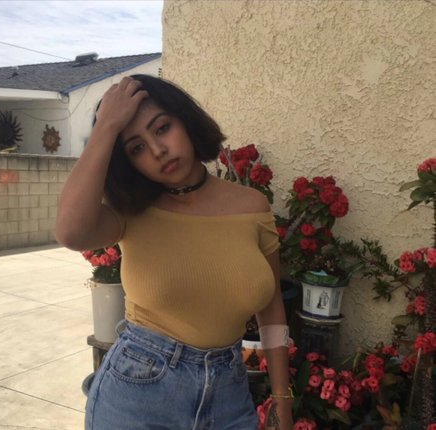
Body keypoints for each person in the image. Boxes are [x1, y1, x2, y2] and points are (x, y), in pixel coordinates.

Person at [56, 74, 293, 430]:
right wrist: (106, 126)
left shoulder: (252, 206)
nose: (157, 150)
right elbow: (70, 231)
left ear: (186, 120)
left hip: (229, 396)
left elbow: (272, 308)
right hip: (138, 396)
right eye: (136, 148)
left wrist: (282, 397)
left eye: (162, 128)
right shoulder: (130, 213)